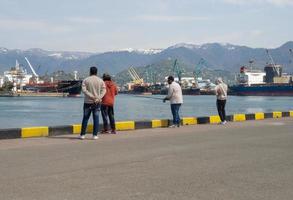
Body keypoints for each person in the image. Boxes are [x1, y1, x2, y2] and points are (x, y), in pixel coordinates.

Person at [80, 66, 106, 140]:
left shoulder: (85, 80)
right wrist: (98, 98)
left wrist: (92, 97)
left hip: (87, 102)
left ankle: (82, 135)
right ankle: (95, 135)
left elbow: (84, 90)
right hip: (97, 103)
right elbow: (104, 90)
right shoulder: (100, 80)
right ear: (96, 72)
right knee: (96, 118)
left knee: (85, 118)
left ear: (90, 72)